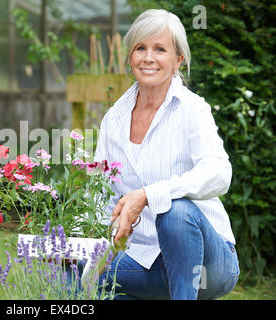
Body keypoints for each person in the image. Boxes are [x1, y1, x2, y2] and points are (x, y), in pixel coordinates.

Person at [93, 9, 239, 300]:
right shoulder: (114, 119)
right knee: (74, 269)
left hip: (208, 265)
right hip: (145, 261)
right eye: (140, 48)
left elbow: (220, 174)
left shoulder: (193, 109)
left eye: (160, 49)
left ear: (178, 61)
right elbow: (98, 193)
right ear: (130, 57)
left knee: (174, 210)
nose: (148, 58)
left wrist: (149, 194)